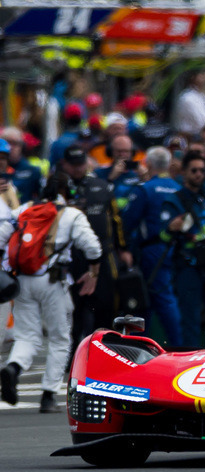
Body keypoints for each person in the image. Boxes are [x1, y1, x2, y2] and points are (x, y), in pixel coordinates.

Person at [0, 172, 102, 412]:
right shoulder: (71, 214)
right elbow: (93, 247)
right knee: (59, 338)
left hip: (22, 280)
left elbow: (2, 236)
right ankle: (48, 396)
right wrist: (94, 272)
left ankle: (13, 367)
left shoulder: (24, 209)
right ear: (68, 192)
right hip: (53, 282)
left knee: (27, 335)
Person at [162, 150, 205, 348]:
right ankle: (189, 360)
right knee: (190, 319)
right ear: (184, 172)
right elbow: (163, 236)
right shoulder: (174, 200)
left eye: (202, 170)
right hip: (188, 266)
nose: (199, 174)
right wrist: (171, 228)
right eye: (194, 170)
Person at [63, 146, 131, 345]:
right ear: (65, 165)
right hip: (72, 255)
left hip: (105, 253)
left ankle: (104, 346)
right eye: (73, 165)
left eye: (80, 164)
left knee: (107, 303)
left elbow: (116, 220)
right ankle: (72, 353)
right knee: (73, 307)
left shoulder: (102, 186)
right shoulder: (59, 188)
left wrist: (123, 248)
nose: (77, 169)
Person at [121, 147, 184, 346]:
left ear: (147, 164)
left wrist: (124, 247)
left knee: (150, 299)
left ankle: (170, 347)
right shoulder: (179, 189)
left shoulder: (145, 189)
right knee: (158, 298)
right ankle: (159, 344)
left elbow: (127, 221)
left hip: (151, 251)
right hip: (177, 250)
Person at [95, 133, 143, 211]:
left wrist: (146, 179)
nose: (122, 155)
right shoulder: (99, 173)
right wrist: (110, 179)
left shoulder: (138, 173)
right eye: (119, 151)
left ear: (132, 152)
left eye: (126, 151)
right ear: (110, 152)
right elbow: (96, 198)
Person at [2, 127, 43, 204]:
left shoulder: (32, 171)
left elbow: (41, 198)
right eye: (7, 142)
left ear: (22, 146)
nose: (10, 147)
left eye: (14, 143)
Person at [173, 71, 205, 138]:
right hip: (189, 137)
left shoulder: (202, 96)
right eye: (201, 75)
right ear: (193, 77)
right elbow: (202, 123)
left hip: (201, 136)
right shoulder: (187, 97)